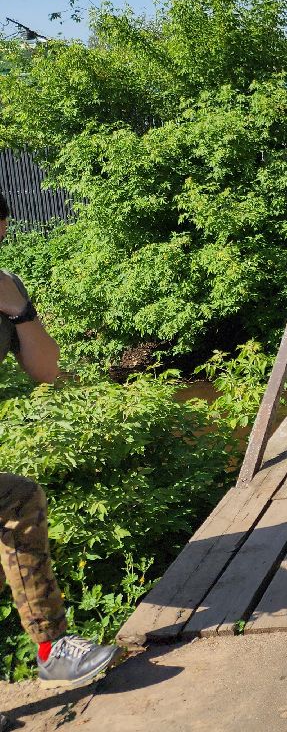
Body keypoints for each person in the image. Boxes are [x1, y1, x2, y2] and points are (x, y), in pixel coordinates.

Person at [0, 194, 119, 690]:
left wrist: (19, 310)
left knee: (18, 499)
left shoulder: (7, 286)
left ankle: (52, 650)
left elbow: (46, 369)